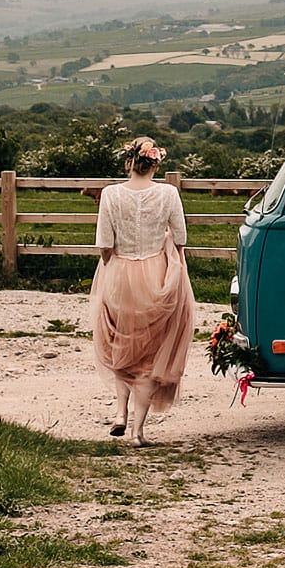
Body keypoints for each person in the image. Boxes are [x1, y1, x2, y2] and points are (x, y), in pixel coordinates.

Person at [88, 136, 194, 446]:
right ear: (155, 163)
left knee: (121, 341)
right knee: (150, 354)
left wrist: (114, 267)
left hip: (120, 274)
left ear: (129, 161)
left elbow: (105, 245)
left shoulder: (110, 195)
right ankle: (137, 431)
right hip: (156, 273)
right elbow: (180, 237)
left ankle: (120, 413)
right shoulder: (168, 193)